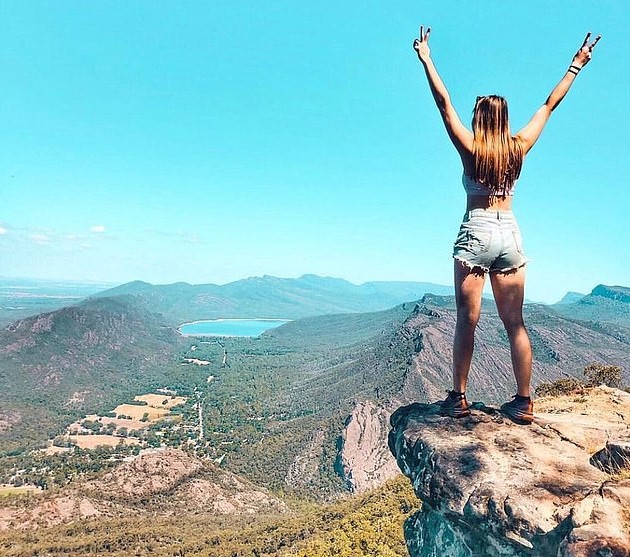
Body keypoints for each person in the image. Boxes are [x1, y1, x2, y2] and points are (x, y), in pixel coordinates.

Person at [412, 26, 600, 424]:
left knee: (467, 320)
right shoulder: (519, 148)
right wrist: (576, 66)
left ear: (479, 118)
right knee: (515, 322)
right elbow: (548, 106)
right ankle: (523, 401)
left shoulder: (471, 148)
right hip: (510, 233)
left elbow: (444, 104)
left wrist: (427, 59)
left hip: (477, 230)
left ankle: (458, 397)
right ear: (505, 119)